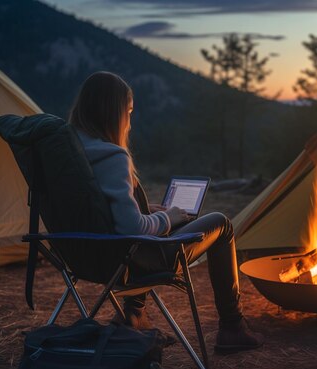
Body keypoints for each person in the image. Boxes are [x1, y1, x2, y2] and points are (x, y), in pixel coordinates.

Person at [68, 71, 263, 353]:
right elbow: (131, 229)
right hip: (130, 259)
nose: (130, 123)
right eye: (129, 112)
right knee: (222, 223)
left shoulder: (72, 153)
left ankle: (134, 315)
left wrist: (149, 212)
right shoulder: (112, 156)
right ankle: (233, 326)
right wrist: (168, 218)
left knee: (158, 223)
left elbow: (101, 211)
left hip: (82, 254)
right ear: (113, 113)